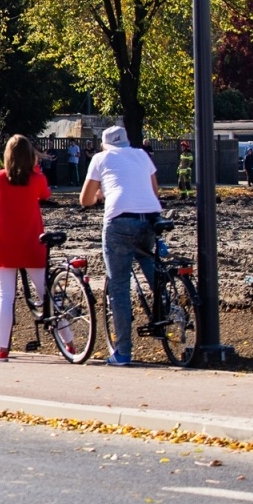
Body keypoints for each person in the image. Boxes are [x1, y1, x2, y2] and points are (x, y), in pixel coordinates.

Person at [80, 125, 162, 366]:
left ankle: (123, 351)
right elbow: (154, 191)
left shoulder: (100, 158)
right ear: (126, 142)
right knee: (149, 262)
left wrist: (100, 196)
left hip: (119, 221)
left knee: (119, 287)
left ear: (105, 145)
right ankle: (166, 305)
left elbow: (85, 199)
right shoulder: (142, 155)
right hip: (150, 218)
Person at [0, 135, 56, 361]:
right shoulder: (36, 180)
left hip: (5, 247)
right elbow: (46, 195)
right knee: (47, 293)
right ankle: (69, 343)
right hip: (32, 244)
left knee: (5, 296)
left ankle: (2, 348)